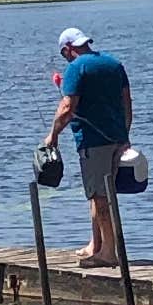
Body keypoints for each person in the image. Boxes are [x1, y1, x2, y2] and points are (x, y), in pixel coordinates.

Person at [42, 22, 134, 270]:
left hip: (94, 142)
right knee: (97, 194)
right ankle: (96, 245)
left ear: (69, 49)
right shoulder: (113, 64)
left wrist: (52, 135)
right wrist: (125, 135)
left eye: (64, 53)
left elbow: (67, 108)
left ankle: (109, 253)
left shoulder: (75, 68)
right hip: (117, 139)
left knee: (100, 197)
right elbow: (126, 102)